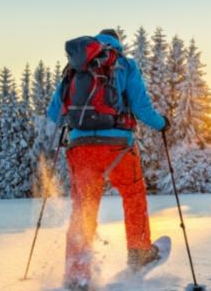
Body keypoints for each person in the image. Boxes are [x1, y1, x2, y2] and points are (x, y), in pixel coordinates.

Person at [47, 28, 169, 290]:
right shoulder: (123, 64)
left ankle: (77, 275)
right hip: (118, 147)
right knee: (133, 194)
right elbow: (141, 107)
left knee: (83, 208)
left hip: (80, 149)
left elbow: (53, 112)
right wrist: (162, 124)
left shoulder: (75, 68)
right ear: (117, 43)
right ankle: (139, 253)